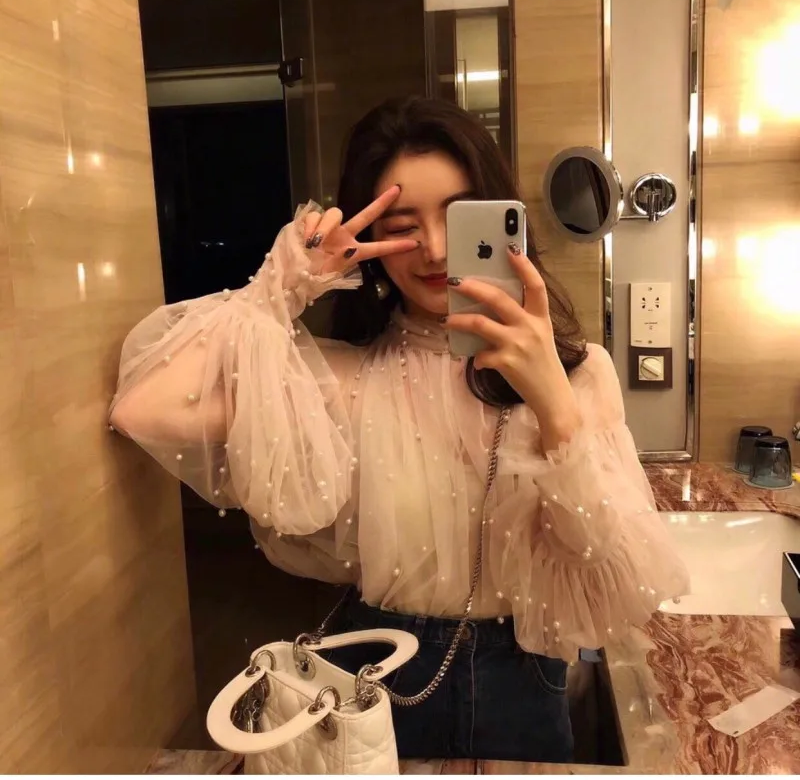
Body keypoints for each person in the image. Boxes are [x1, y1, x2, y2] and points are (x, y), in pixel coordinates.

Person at [109, 96, 689, 763]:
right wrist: (279, 289)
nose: (436, 249)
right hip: (377, 681)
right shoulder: (346, 378)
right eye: (405, 226)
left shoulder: (581, 374)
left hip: (524, 687)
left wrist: (553, 403)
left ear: (501, 219)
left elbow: (606, 562)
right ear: (374, 244)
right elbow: (142, 409)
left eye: (457, 217)